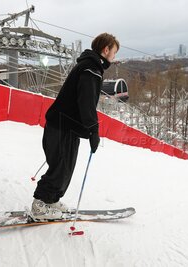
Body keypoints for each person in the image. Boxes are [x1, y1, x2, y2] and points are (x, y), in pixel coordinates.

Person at [31, 33, 119, 220]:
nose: (114, 57)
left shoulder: (89, 66)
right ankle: (40, 204)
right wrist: (93, 130)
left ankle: (51, 200)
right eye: (114, 52)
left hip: (67, 126)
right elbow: (86, 103)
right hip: (62, 126)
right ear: (106, 50)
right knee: (60, 168)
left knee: (65, 167)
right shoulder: (91, 69)